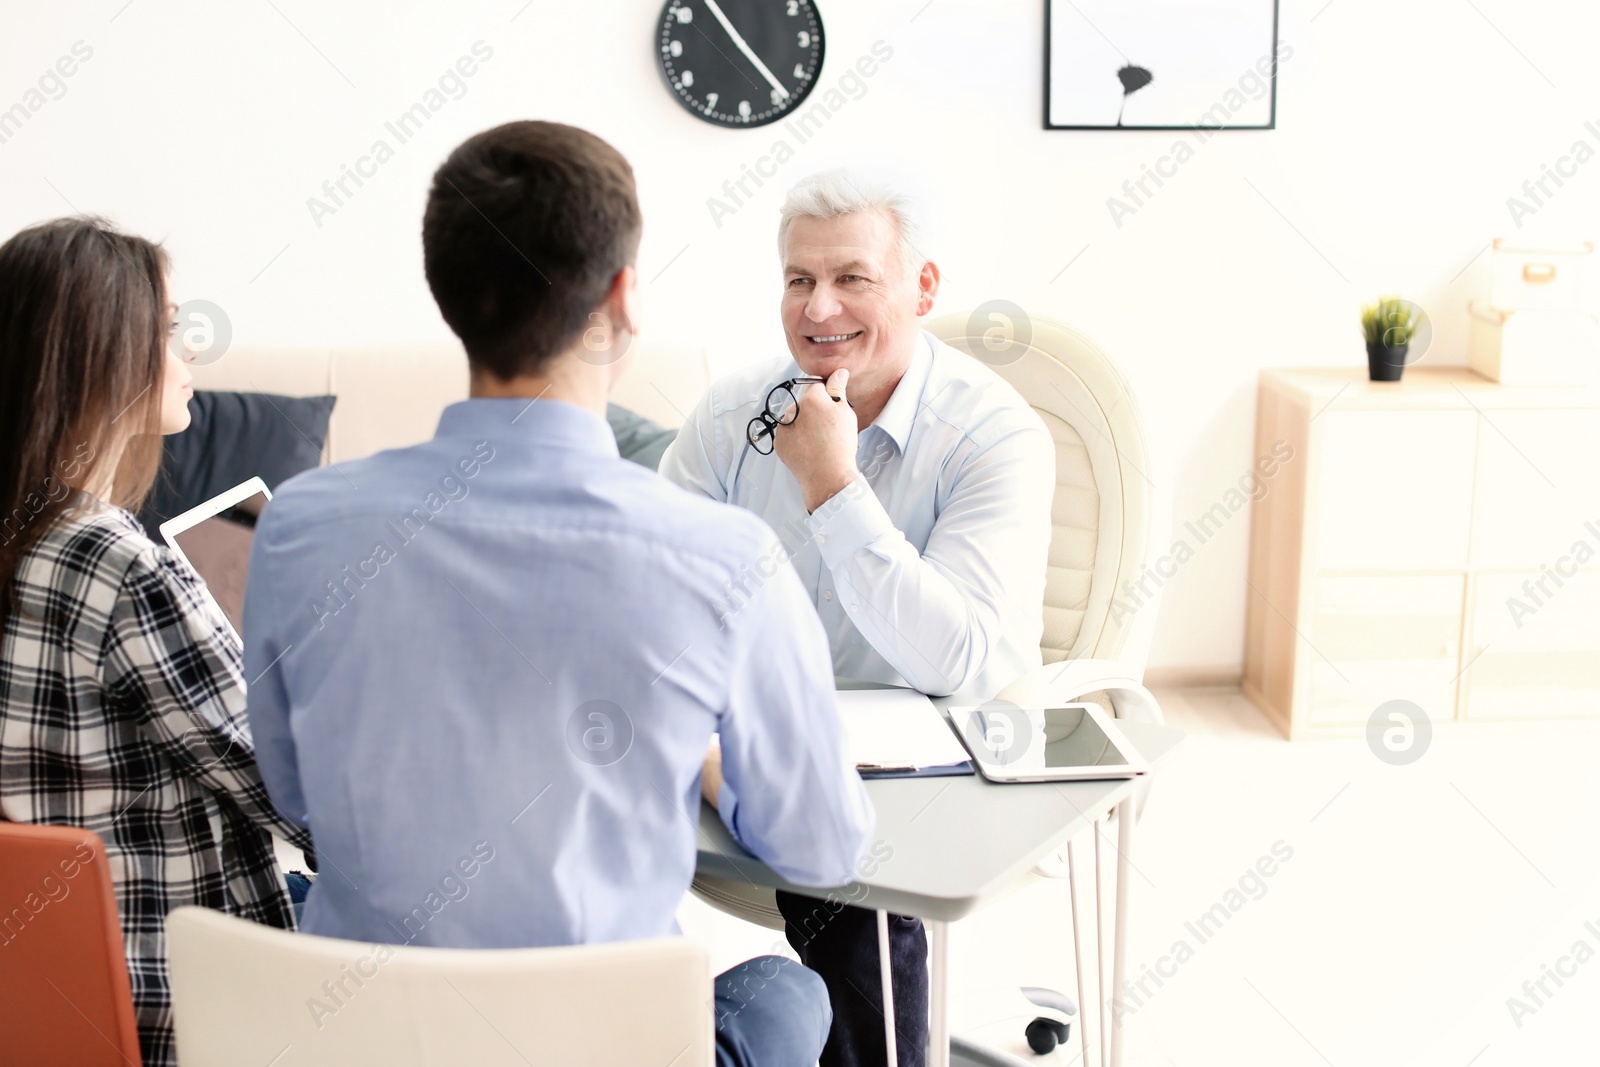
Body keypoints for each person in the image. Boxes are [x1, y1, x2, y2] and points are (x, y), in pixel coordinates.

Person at [243, 121, 874, 1067]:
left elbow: (291, 791)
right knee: (786, 988)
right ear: (622, 299)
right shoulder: (725, 558)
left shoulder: (298, 524)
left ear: (449, 296)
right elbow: (824, 848)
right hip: (606, 1045)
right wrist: (705, 765)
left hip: (369, 1040)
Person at [659, 170, 1056, 1067]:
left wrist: (831, 486)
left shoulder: (996, 436)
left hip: (926, 761)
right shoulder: (733, 413)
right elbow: (651, 595)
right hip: (748, 740)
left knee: (856, 896)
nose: (818, 306)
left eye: (852, 278)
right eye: (799, 279)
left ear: (922, 288)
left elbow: (957, 658)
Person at [0, 216, 313, 1067]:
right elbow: (295, 794)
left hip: (54, 1003)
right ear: (103, 352)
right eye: (172, 328)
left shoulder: (25, 537)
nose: (191, 354)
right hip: (184, 1006)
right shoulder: (118, 563)